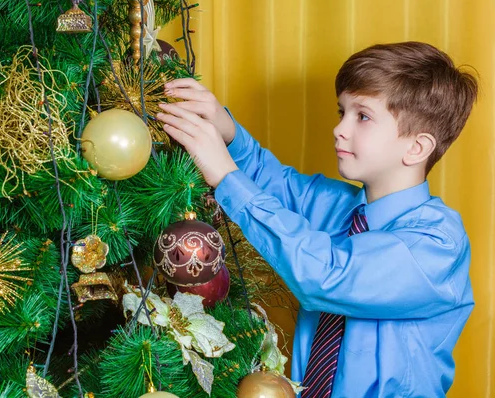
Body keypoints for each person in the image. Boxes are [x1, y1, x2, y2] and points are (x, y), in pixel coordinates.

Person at [155, 41, 478, 398]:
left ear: (416, 147)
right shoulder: (337, 206)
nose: (340, 129)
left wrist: (226, 177)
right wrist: (224, 127)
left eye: (363, 116)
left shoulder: (437, 242)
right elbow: (272, 180)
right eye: (342, 112)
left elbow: (328, 275)